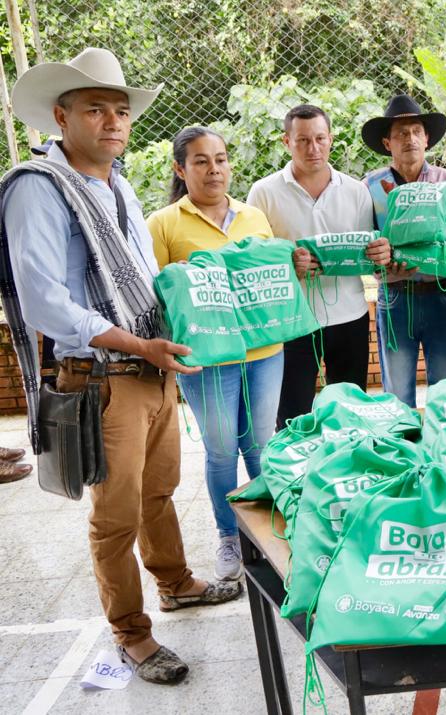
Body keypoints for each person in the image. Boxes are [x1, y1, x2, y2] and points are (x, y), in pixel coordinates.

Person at [0, 47, 240, 684]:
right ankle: (131, 633)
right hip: (105, 377)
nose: (113, 121)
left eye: (121, 110)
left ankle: (176, 582)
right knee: (116, 516)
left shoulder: (119, 185)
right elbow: (44, 301)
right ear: (62, 116)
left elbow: (143, 277)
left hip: (153, 370)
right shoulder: (39, 188)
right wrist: (139, 347)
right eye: (96, 109)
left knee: (158, 493)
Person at [148, 126, 282, 581]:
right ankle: (230, 537)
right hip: (206, 359)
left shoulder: (254, 216)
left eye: (221, 159)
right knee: (222, 450)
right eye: (201, 161)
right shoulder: (163, 224)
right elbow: (152, 297)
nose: (214, 169)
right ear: (180, 169)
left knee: (262, 445)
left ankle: (270, 532)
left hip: (265, 350)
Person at [247, 105, 390, 426]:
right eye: (303, 141)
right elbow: (255, 261)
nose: (313, 148)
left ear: (331, 139)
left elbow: (369, 261)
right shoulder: (263, 192)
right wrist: (288, 265)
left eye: (320, 139)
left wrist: (380, 255)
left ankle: (350, 470)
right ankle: (296, 473)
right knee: (291, 416)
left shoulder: (356, 191)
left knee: (350, 414)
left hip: (350, 318)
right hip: (293, 322)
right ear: (286, 142)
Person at [362, 95, 446, 406]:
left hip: (442, 296)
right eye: (401, 133)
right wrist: (381, 265)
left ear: (427, 139)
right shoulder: (369, 187)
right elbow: (364, 243)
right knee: (397, 395)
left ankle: (442, 452)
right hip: (395, 298)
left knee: (445, 391)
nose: (410, 139)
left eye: (416, 131)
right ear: (387, 143)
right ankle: (402, 451)